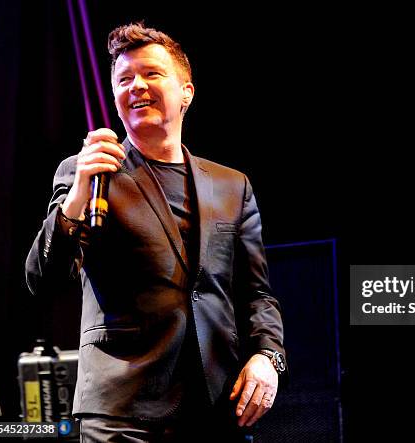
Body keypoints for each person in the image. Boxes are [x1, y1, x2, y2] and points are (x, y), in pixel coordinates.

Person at [25, 22, 286, 442]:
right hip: (122, 412)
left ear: (187, 92)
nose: (136, 86)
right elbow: (43, 278)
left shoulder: (231, 186)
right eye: (124, 79)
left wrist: (267, 357)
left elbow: (256, 293)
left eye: (151, 74)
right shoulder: (87, 174)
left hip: (216, 408)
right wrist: (75, 198)